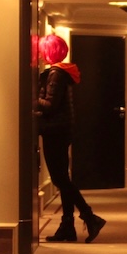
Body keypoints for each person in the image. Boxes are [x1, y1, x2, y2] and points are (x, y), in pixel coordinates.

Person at [35, 34, 106, 243]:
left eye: (42, 50)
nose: (40, 54)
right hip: (60, 130)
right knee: (62, 178)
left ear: (49, 51)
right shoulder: (60, 72)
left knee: (60, 179)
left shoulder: (55, 74)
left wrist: (31, 99)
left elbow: (50, 105)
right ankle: (68, 226)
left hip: (55, 131)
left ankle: (89, 216)